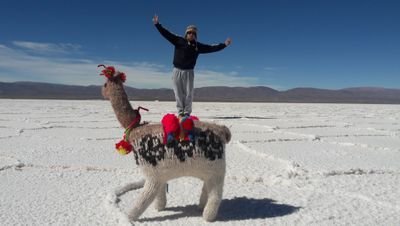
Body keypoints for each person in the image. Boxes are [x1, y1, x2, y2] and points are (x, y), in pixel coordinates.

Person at [153, 14, 232, 117]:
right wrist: (157, 25)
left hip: (189, 72)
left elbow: (211, 48)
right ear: (186, 33)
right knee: (178, 92)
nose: (191, 34)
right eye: (189, 32)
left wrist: (224, 45)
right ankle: (180, 111)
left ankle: (187, 112)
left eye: (193, 33)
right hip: (177, 71)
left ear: (195, 35)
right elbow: (166, 34)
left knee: (188, 93)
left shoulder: (198, 46)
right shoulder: (178, 40)